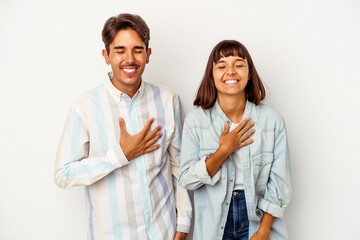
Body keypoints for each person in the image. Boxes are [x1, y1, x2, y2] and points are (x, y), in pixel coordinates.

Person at [54, 13, 192, 240]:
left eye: (137, 50)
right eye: (120, 50)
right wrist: (120, 155)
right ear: (106, 56)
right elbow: (63, 174)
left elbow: (182, 169)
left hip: (163, 234)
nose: (130, 59)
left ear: (148, 55)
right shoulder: (85, 107)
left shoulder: (168, 100)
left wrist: (183, 227)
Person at [178, 40, 292, 240]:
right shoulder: (196, 121)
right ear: (211, 75)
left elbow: (279, 184)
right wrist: (223, 151)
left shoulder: (271, 121)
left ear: (249, 74)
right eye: (221, 66)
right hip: (214, 224)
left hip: (257, 219)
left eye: (238, 65)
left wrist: (263, 231)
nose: (230, 71)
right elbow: (187, 179)